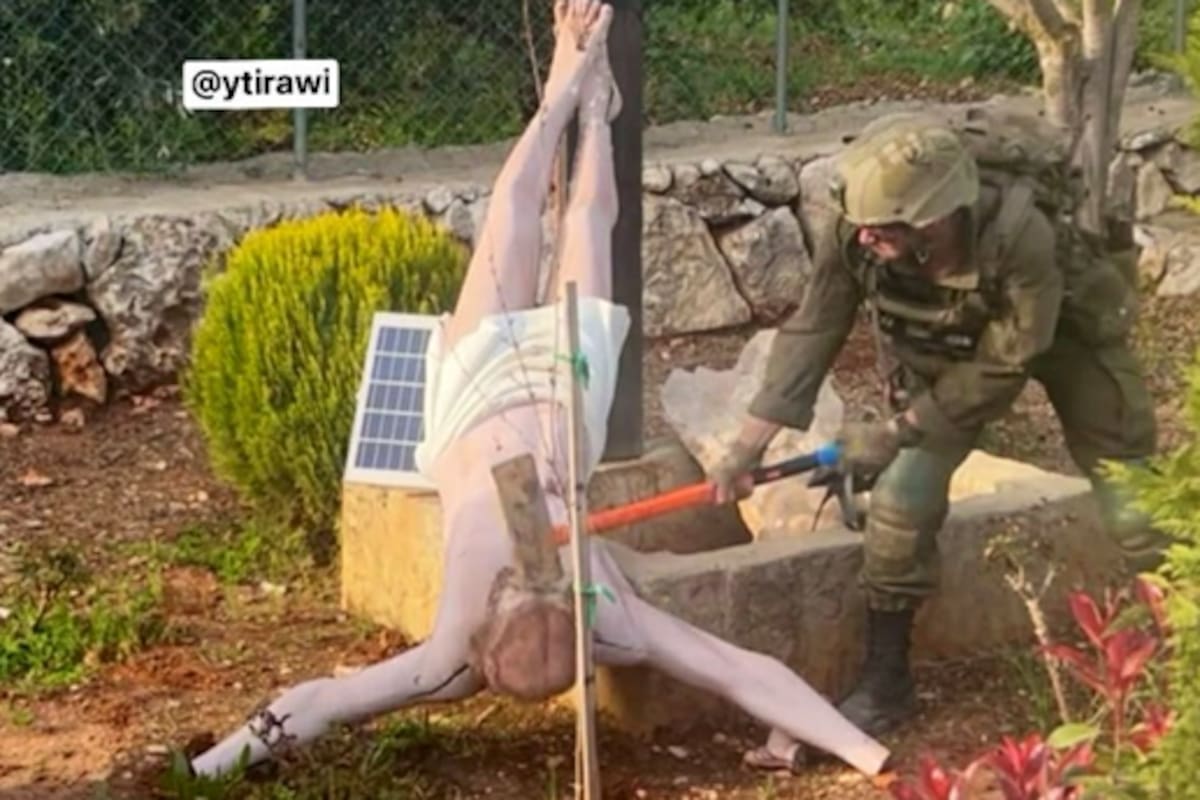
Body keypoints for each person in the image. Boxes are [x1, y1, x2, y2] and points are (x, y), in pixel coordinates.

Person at [187, 0, 891, 780]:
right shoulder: (610, 624)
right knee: (587, 216)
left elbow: (317, 701)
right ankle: (588, 106)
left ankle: (570, 92)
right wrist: (867, 754)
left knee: (513, 216)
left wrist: (209, 768)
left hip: (470, 402)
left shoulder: (452, 660)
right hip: (561, 403)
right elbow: (738, 670)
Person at [710, 112, 1168, 738]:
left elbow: (1011, 358)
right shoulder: (858, 231)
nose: (865, 239)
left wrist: (896, 429)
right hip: (950, 352)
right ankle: (887, 681)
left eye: (882, 229)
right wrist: (745, 446)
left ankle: (1179, 636)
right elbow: (814, 328)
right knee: (902, 498)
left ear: (933, 218)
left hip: (1060, 334)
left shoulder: (1019, 235)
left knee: (1129, 487)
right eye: (863, 227)